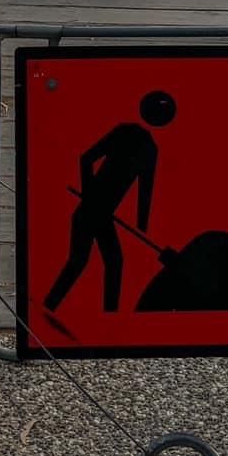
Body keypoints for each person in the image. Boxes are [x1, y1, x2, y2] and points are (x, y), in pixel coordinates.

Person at [44, 92, 177, 317]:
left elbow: (145, 192)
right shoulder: (129, 135)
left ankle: (105, 317)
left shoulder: (144, 146)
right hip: (90, 212)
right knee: (83, 262)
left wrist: (141, 226)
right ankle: (52, 308)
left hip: (100, 214)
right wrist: (89, 197)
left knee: (107, 262)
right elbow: (86, 159)